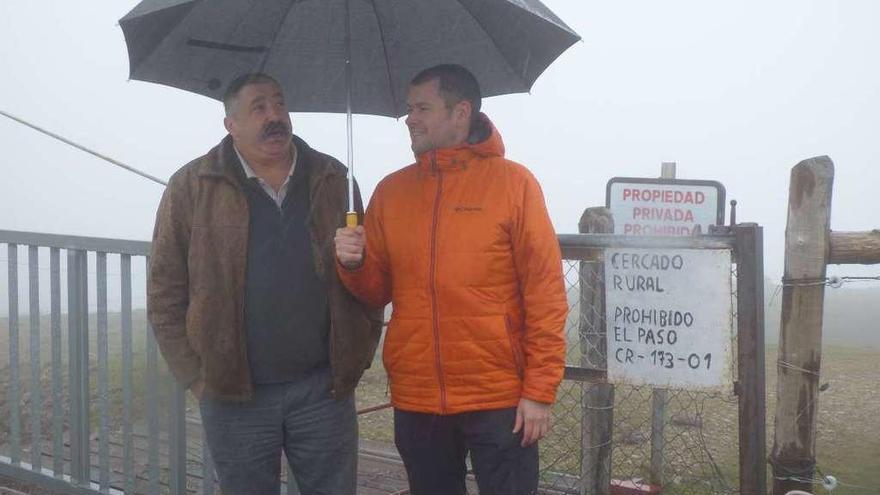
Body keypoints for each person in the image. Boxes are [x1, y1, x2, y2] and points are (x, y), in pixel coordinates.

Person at [334, 64, 567, 495]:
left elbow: (546, 293)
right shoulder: (391, 191)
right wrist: (352, 265)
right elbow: (376, 291)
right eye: (409, 108)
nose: (410, 119)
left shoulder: (514, 184)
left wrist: (539, 391)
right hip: (417, 396)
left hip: (499, 397)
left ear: (461, 113)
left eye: (422, 107)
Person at [147, 72, 382, 495]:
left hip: (323, 390)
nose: (275, 116)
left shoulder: (334, 179)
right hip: (233, 394)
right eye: (258, 107)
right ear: (230, 125)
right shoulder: (191, 186)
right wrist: (195, 378)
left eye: (279, 103)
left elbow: (367, 277)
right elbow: (164, 290)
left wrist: (357, 353)